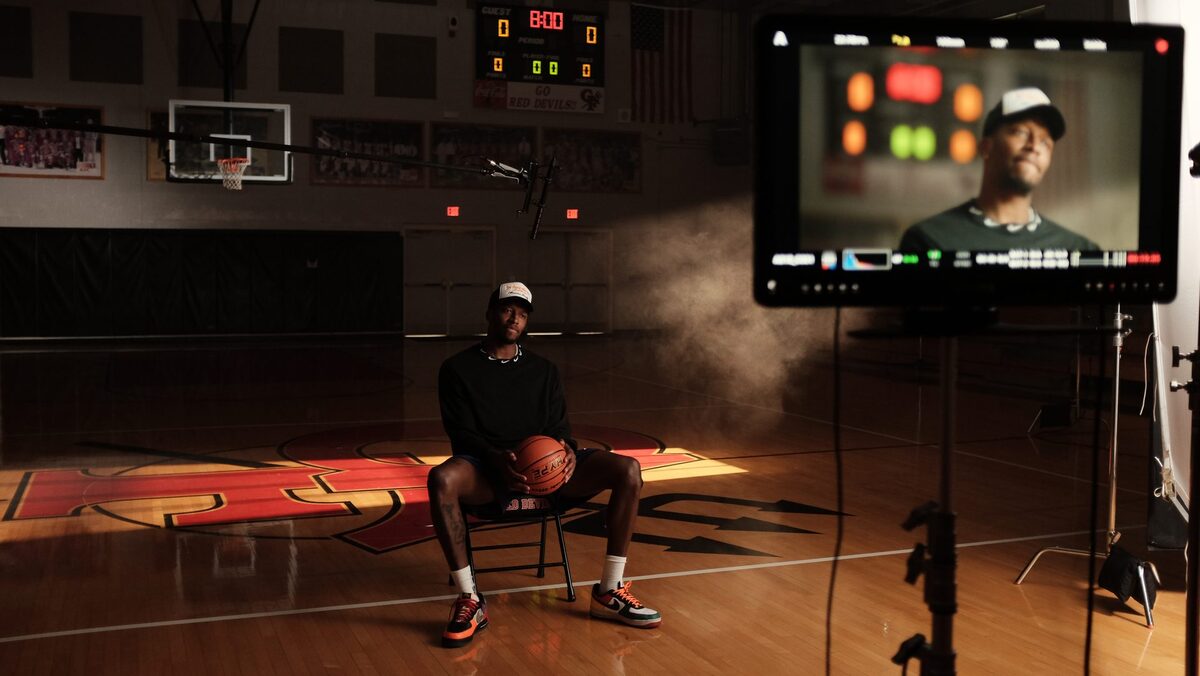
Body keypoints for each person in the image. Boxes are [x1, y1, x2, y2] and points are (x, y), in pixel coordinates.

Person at [428, 282, 662, 648]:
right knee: (441, 478)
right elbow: (462, 435)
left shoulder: (544, 370)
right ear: (490, 312)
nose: (514, 318)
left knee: (628, 468)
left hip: (545, 472)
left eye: (522, 313)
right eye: (507, 309)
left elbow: (559, 429)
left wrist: (568, 450)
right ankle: (470, 599)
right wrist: (496, 459)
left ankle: (608, 590)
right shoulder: (456, 369)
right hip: (488, 469)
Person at [900, 87, 1098, 252]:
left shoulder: (1078, 250)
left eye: (1045, 142)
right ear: (986, 147)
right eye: (1020, 132)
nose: (1034, 146)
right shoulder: (929, 241)